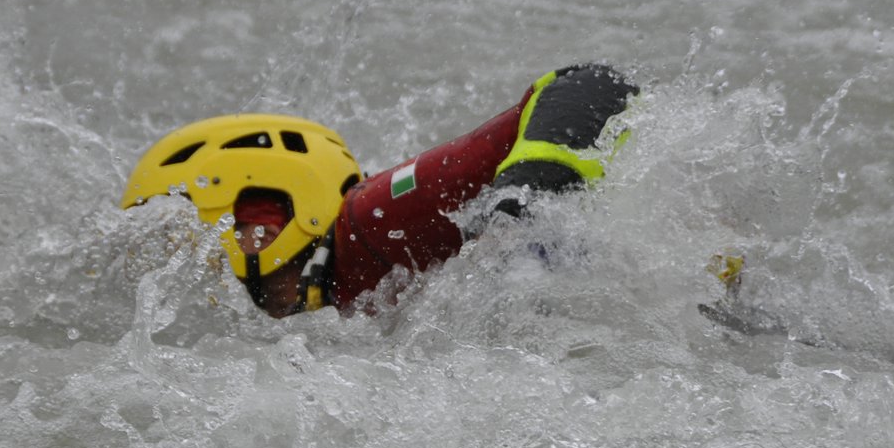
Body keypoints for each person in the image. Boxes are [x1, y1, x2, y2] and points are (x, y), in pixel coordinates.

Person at [119, 64, 640, 316]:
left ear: (266, 216)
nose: (187, 261)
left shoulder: (371, 221)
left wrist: (534, 188)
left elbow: (589, 85)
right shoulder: (334, 313)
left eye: (193, 230)